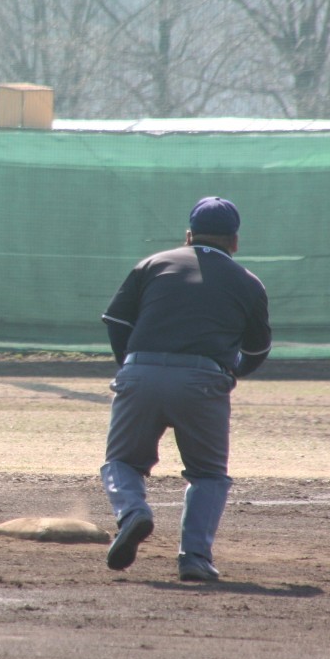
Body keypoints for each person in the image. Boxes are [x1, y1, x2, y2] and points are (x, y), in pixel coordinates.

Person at [99, 197, 271, 582]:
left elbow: (116, 321)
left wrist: (131, 366)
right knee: (208, 474)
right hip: (203, 380)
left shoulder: (153, 264)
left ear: (188, 235)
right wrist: (230, 373)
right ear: (235, 241)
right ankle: (194, 558)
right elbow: (257, 350)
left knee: (121, 462)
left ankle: (133, 513)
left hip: (140, 373)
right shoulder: (248, 282)